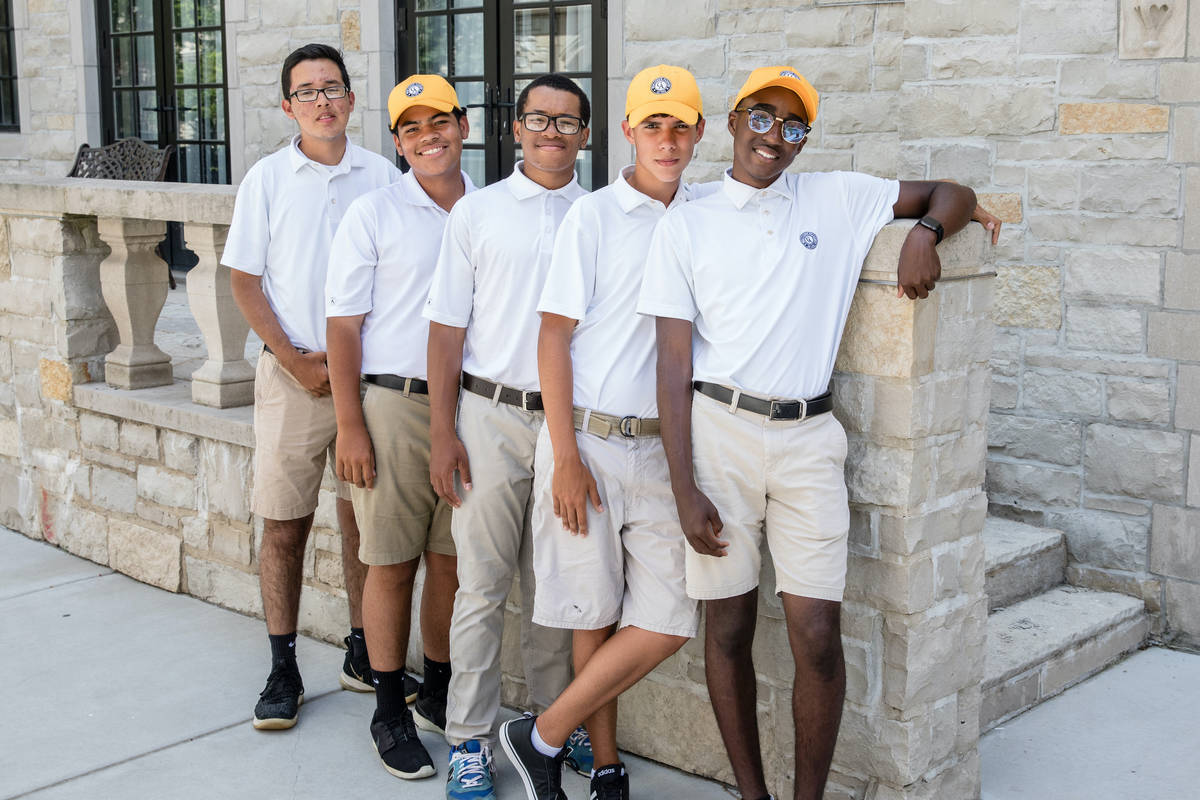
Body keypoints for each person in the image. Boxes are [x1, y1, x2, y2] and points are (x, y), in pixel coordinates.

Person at [636, 67, 978, 800]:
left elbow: (956, 193)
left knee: (818, 635)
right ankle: (753, 795)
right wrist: (683, 485)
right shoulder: (687, 221)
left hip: (809, 438)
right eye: (763, 117)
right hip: (718, 434)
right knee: (727, 630)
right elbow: (670, 364)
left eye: (794, 127)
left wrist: (925, 232)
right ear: (733, 121)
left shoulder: (839, 197)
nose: (776, 137)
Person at [498, 65, 709, 800]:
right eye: (653, 125)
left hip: (661, 450)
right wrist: (563, 455)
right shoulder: (593, 217)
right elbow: (552, 339)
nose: (667, 139)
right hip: (586, 441)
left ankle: (543, 733)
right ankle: (606, 764)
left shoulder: (708, 214)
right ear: (626, 132)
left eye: (680, 125)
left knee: (670, 617)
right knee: (593, 610)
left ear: (699, 134)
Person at [423, 73, 594, 800]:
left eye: (566, 122)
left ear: (587, 134)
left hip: (570, 424)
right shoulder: (479, 212)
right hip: (488, 415)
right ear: (514, 129)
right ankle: (468, 736)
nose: (551, 133)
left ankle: (554, 725)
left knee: (557, 586)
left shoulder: (602, 214)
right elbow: (445, 328)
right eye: (538, 119)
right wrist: (441, 432)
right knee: (483, 584)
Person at [224, 43, 400, 731]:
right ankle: (282, 663)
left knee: (367, 525)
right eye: (307, 91)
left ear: (353, 100)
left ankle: (363, 652)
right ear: (287, 105)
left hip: (369, 383)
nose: (322, 100)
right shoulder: (267, 180)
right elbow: (243, 279)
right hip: (294, 377)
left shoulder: (384, 177)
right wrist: (292, 359)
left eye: (333, 88)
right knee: (284, 523)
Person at [325, 74, 473, 780]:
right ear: (397, 141)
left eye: (437, 121)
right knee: (391, 560)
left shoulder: (491, 208)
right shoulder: (374, 213)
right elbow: (343, 326)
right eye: (411, 129)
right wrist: (348, 421)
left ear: (463, 125)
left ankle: (436, 689)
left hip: (473, 407)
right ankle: (388, 706)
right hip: (394, 403)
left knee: (450, 559)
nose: (426, 137)